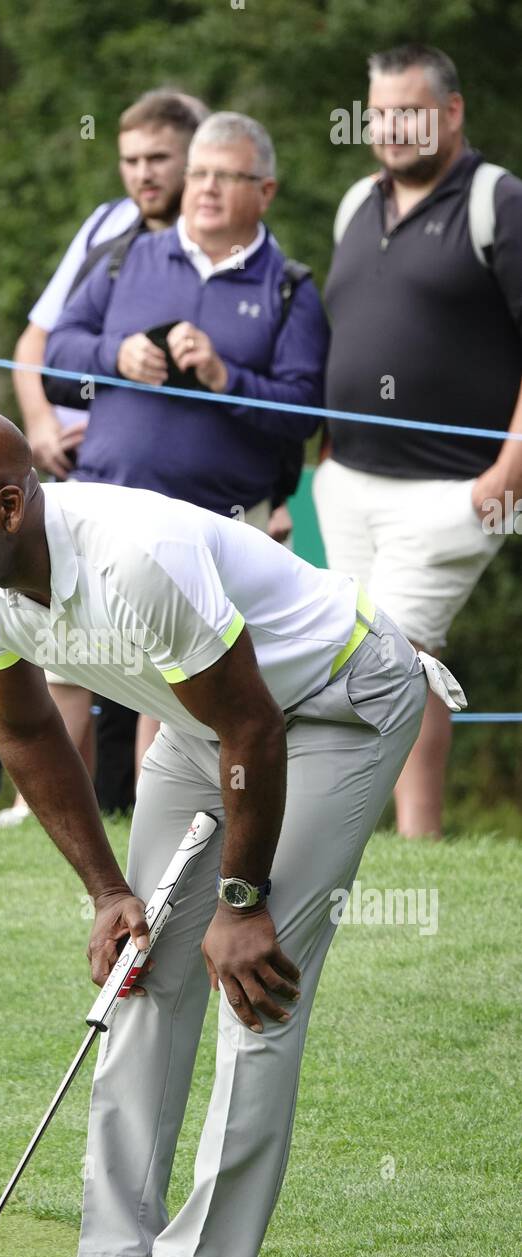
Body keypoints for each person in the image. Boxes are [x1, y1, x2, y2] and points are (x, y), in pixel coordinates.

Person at [0, 405, 463, 1257]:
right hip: (219, 727)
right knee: (141, 969)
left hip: (337, 702)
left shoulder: (133, 558)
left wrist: (241, 903)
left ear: (8, 507)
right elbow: (31, 734)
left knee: (255, 980)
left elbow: (256, 730)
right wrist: (108, 890)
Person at [47, 111, 329, 773]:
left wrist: (224, 377)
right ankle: (41, 813)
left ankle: (158, 812)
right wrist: (115, 356)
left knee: (182, 677)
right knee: (65, 663)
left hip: (217, 521)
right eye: (198, 173)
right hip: (105, 502)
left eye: (226, 176)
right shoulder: (125, 258)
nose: (205, 189)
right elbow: (55, 356)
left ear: (265, 191)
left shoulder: (289, 288)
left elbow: (302, 413)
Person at [0, 89, 208, 827]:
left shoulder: (209, 236)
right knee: (61, 626)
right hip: (80, 468)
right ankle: (38, 802)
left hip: (176, 475)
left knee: (161, 641)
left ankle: (157, 807)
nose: (143, 175)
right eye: (131, 160)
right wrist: (40, 423)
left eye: (159, 160)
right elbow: (36, 344)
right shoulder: (106, 227)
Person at [315, 43, 522, 838]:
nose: (392, 127)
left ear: (452, 110)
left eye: (409, 110)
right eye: (380, 113)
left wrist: (508, 471)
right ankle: (372, 838)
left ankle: (418, 837)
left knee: (400, 652)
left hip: (455, 489)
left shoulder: (497, 202)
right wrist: (330, 451)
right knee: (361, 655)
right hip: (350, 484)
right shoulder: (354, 204)